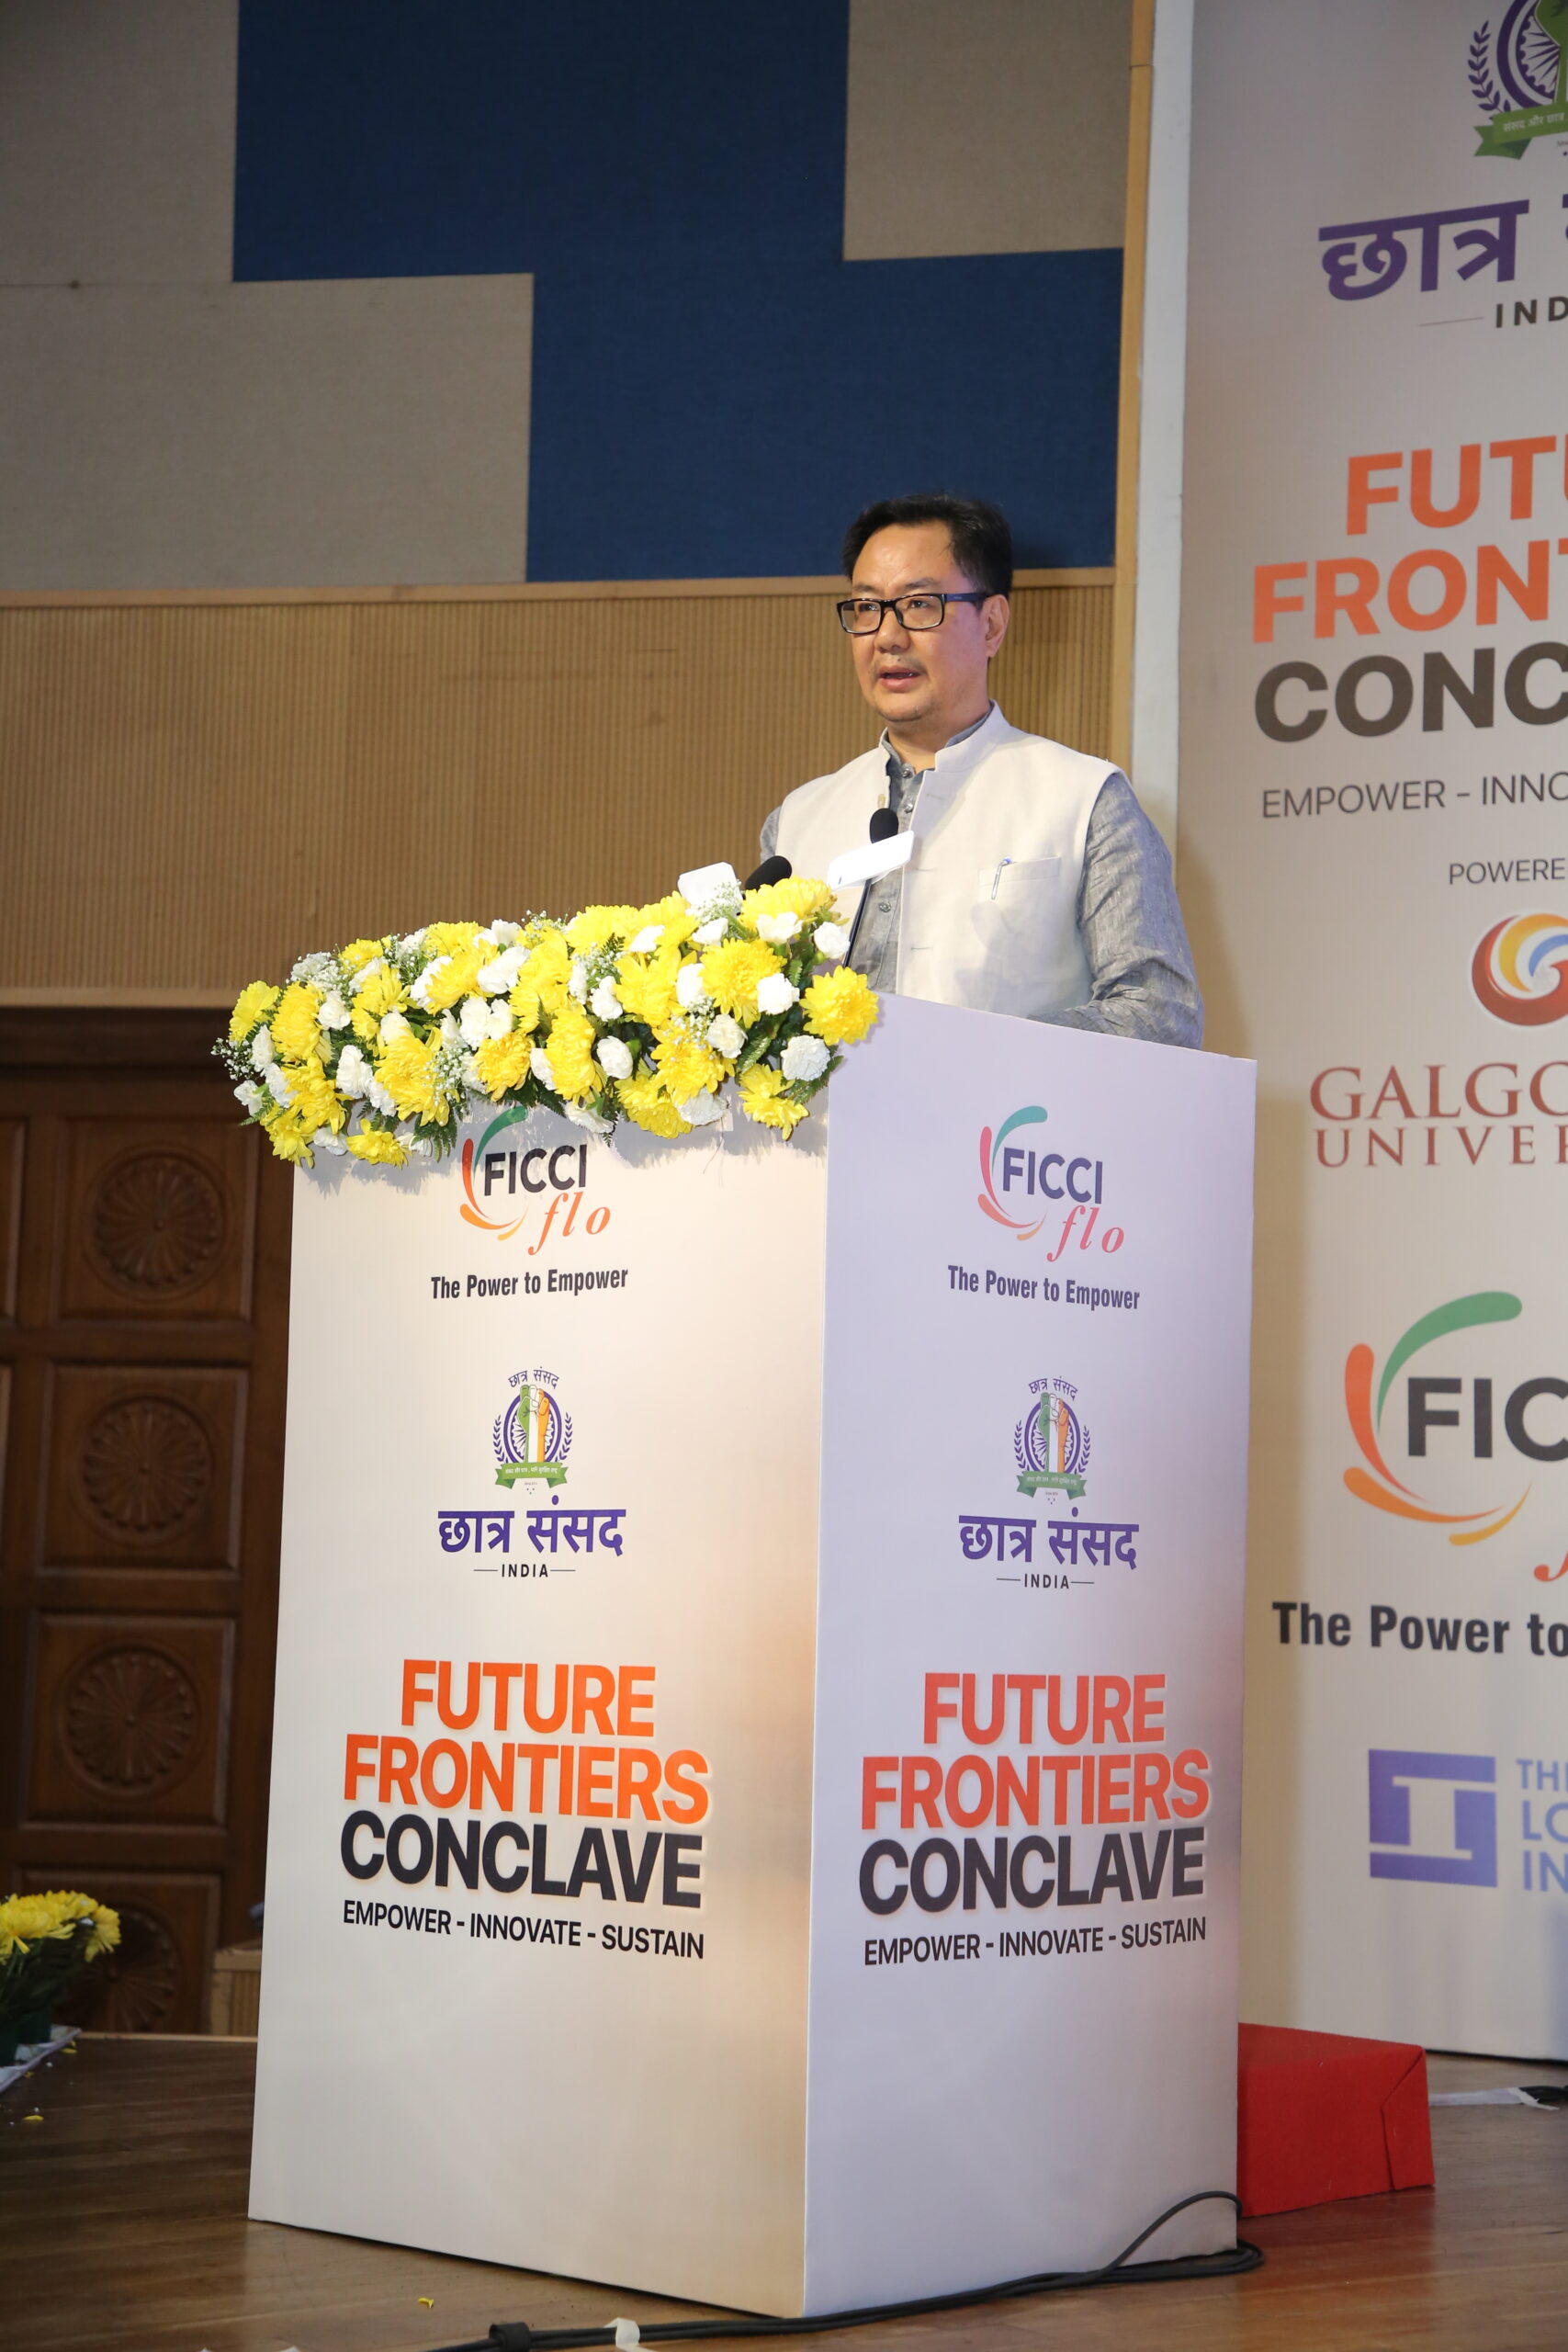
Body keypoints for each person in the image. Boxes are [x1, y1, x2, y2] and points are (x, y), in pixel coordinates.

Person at [760, 493, 1201, 1045]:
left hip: (1009, 1104)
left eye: (919, 604)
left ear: (991, 625)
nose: (888, 637)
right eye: (867, 607)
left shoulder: (1086, 799)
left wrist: (973, 1053)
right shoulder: (797, 820)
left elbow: (1159, 1015)